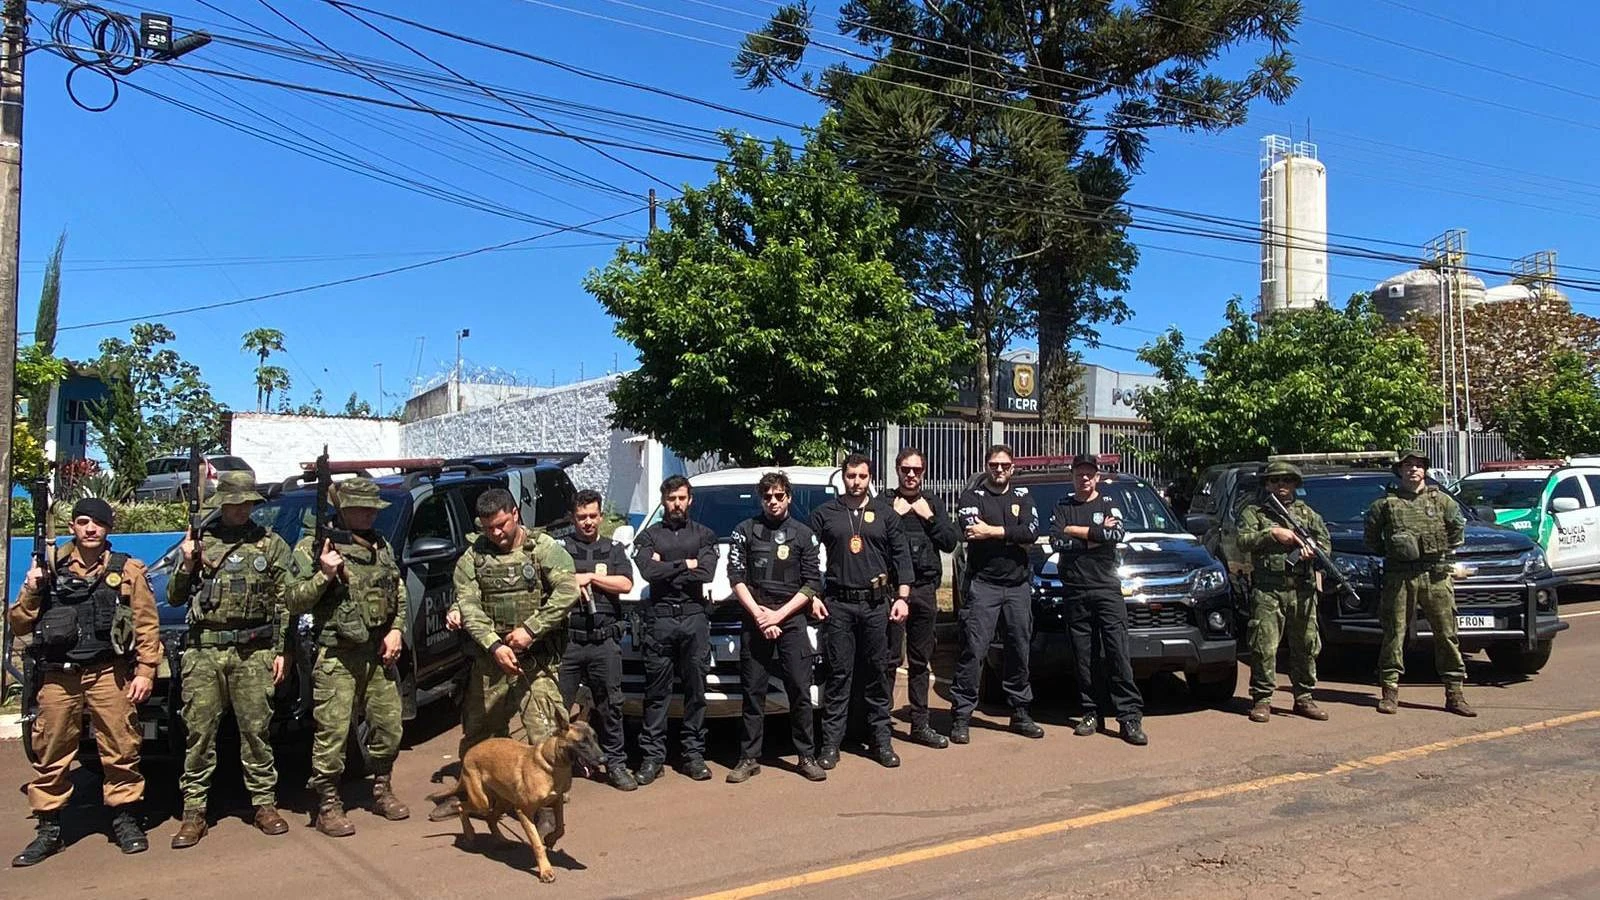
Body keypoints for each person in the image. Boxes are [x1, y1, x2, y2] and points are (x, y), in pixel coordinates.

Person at [10, 498, 161, 866]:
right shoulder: (49, 567)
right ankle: (49, 829)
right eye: (82, 522)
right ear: (72, 527)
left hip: (108, 672)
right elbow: (18, 623)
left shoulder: (127, 570)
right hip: (58, 677)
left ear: (108, 527)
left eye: (98, 523)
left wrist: (145, 671)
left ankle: (125, 819)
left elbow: (146, 625)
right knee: (51, 752)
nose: (90, 529)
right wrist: (31, 588)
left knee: (121, 749)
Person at [435, 488, 578, 825]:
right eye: (488, 528)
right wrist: (494, 645)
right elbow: (468, 606)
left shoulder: (543, 548)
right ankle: (473, 796)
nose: (496, 533)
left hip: (536, 660)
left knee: (546, 733)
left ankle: (545, 807)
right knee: (480, 734)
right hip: (491, 660)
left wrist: (531, 629)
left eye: (501, 525)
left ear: (515, 513)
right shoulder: (472, 558)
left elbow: (568, 590)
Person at [166, 471, 292, 848]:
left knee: (256, 731)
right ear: (222, 505)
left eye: (247, 503)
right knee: (199, 733)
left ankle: (264, 804)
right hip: (205, 650)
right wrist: (187, 564)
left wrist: (282, 649)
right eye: (235, 503)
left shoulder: (270, 544)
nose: (241, 510)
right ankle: (194, 811)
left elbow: (285, 599)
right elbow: (174, 597)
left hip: (253, 650)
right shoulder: (200, 542)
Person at [285, 477, 409, 837]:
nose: (370, 515)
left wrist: (396, 629)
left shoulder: (380, 545)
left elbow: (397, 591)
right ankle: (328, 805)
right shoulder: (314, 547)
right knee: (333, 734)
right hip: (337, 655)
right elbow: (292, 599)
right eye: (361, 509)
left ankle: (382, 788)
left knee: (389, 727)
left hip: (377, 653)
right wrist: (324, 575)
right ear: (342, 510)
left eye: (373, 509)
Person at [809, 453, 913, 770]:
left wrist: (902, 597)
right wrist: (812, 595)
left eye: (862, 476)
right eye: (851, 476)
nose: (856, 482)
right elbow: (807, 556)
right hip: (839, 604)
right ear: (843, 477)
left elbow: (901, 557)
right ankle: (831, 745)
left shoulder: (885, 514)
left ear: (870, 478)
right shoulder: (825, 514)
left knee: (877, 674)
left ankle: (881, 741)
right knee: (839, 676)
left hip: (875, 605)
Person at [726, 472, 827, 784]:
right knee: (752, 691)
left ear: (789, 498)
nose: (773, 501)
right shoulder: (744, 530)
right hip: (755, 617)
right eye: (767, 496)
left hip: (791, 618)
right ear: (761, 499)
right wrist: (760, 615)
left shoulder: (804, 534)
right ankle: (749, 758)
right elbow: (736, 577)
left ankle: (806, 756)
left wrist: (778, 616)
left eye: (779, 496)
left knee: (799, 689)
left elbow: (812, 583)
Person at [1364, 449, 1475, 717]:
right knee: (1394, 633)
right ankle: (1389, 691)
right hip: (1400, 576)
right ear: (1399, 471)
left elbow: (1457, 531)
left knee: (1446, 633)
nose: (1413, 469)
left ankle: (1455, 692)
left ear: (1425, 470)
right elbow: (1372, 539)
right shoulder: (1385, 505)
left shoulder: (1443, 501)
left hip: (1435, 575)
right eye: (1407, 465)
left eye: (1418, 465)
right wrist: (1397, 552)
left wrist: (1438, 551)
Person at [948, 444, 1043, 743]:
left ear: (1012, 468)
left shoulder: (1023, 496)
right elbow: (971, 529)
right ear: (987, 467)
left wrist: (993, 532)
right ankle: (961, 716)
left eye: (1004, 465)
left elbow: (1031, 532)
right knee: (974, 651)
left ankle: (1020, 712)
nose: (999, 469)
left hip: (1017, 587)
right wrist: (1011, 534)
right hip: (983, 586)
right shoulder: (972, 496)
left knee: (1018, 649)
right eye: (993, 465)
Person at [1050, 454, 1147, 746]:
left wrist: (1075, 532)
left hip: (1106, 590)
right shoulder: (1063, 506)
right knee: (1084, 657)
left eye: (1089, 474)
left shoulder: (1108, 503)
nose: (1084, 478)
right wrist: (1095, 537)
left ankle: (1129, 717)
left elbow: (1115, 533)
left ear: (1097, 477)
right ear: (1072, 476)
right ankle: (1091, 712)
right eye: (1079, 473)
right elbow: (1056, 540)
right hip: (1075, 590)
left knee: (1118, 653)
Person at [631, 475, 719, 785]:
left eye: (681, 498)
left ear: (689, 500)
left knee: (696, 692)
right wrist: (686, 564)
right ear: (663, 501)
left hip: (694, 619)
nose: (677, 504)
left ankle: (693, 756)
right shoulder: (650, 536)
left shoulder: (705, 534)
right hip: (660, 620)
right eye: (671, 499)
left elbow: (707, 573)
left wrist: (667, 566)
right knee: (657, 693)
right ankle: (652, 758)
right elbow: (647, 571)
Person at [1237, 461, 1331, 723]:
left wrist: (1311, 551)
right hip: (1268, 589)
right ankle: (1262, 699)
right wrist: (1273, 534)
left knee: (1306, 645)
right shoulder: (1254, 513)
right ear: (1266, 485)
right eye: (1275, 481)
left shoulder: (1307, 514)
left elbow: (1325, 544)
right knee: (1264, 646)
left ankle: (1304, 697)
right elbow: (1243, 541)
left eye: (1286, 481)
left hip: (1302, 589)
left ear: (1295, 485)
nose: (1281, 485)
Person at [557, 489, 637, 791]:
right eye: (581, 517)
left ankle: (615, 765)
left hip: (604, 642)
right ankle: (556, 768)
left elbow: (626, 584)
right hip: (569, 642)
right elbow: (547, 582)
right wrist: (571, 581)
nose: (587, 522)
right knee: (558, 709)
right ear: (573, 518)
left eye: (592, 516)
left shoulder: (613, 549)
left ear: (601, 516)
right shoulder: (561, 550)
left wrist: (590, 577)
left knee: (610, 706)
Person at [885, 448, 959, 749]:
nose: (911, 475)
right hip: (892, 592)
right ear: (897, 470)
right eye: (905, 469)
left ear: (924, 472)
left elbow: (950, 542)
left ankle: (920, 724)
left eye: (916, 470)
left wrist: (929, 517)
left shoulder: (933, 503)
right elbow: (873, 540)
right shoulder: (885, 503)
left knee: (920, 660)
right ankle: (880, 726)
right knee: (888, 659)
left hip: (925, 590)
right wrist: (895, 515)